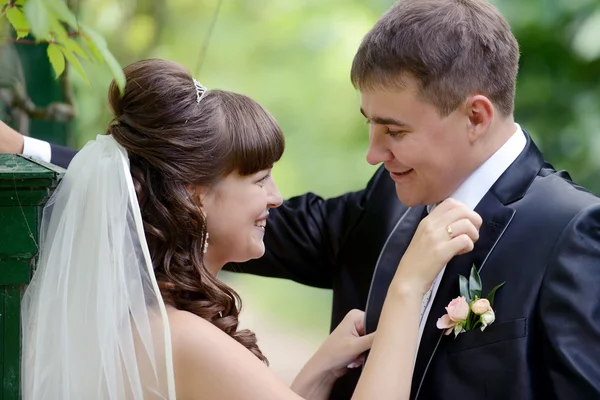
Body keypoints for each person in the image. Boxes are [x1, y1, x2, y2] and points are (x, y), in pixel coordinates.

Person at [7, 0, 600, 398]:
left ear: (475, 115)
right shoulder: (387, 203)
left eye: (394, 130)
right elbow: (191, 197)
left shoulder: (569, 230)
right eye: (369, 124)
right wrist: (38, 152)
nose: (373, 153)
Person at [20, 58, 481, 399]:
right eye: (260, 179)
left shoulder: (151, 324)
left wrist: (319, 370)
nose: (276, 198)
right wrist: (408, 286)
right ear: (194, 194)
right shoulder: (181, 336)